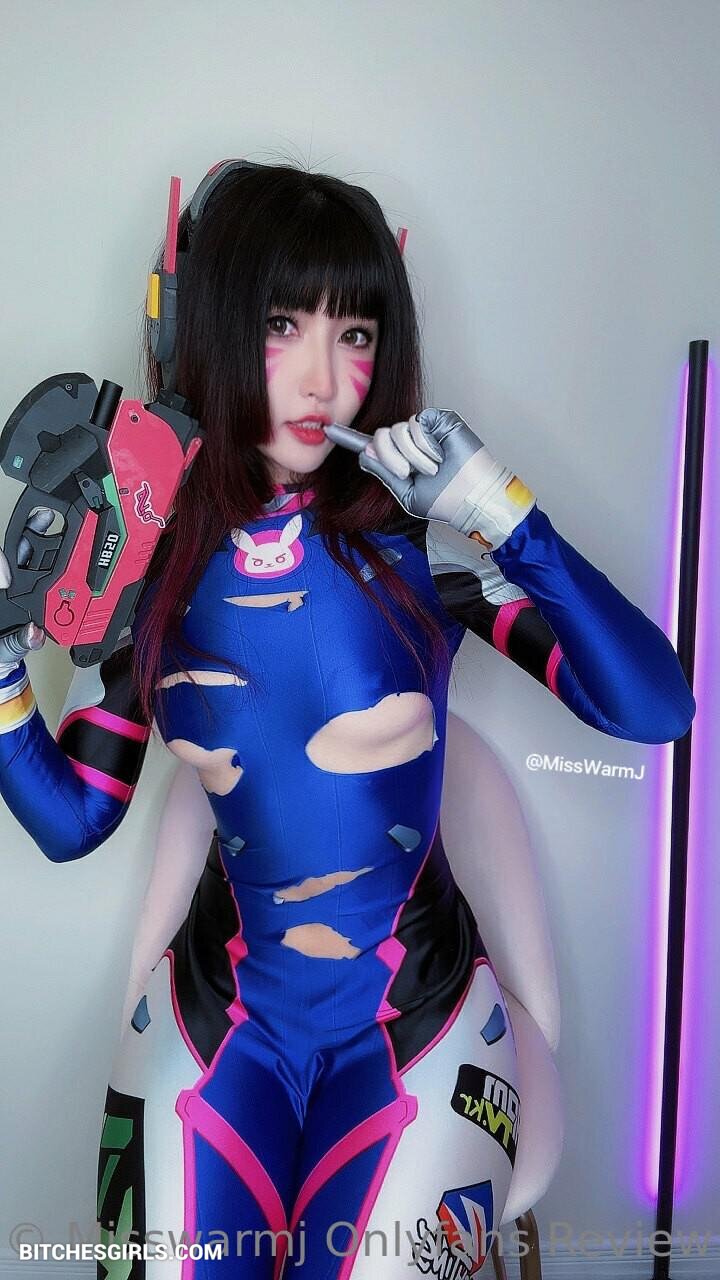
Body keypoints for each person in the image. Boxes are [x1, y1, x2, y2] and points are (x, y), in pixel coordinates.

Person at [0, 161, 695, 1279]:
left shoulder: (424, 550)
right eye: (284, 325)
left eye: (356, 333)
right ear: (214, 327)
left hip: (417, 1029)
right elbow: (75, 815)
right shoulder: (149, 568)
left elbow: (655, 706)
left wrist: (504, 513)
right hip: (218, 1024)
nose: (326, 377)